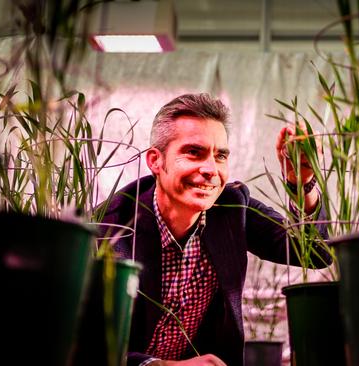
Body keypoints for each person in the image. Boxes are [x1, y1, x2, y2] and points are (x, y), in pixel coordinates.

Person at [100, 93, 330, 366]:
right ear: (155, 161)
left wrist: (303, 182)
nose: (210, 169)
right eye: (193, 152)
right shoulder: (111, 226)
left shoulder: (232, 207)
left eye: (220, 156)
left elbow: (314, 253)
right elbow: (87, 345)